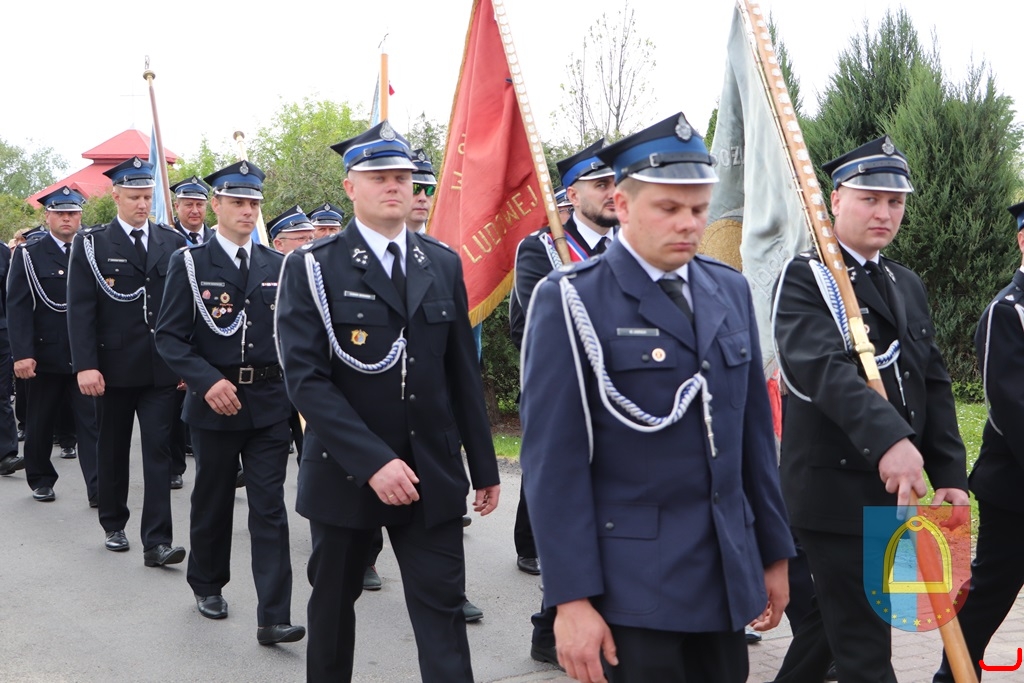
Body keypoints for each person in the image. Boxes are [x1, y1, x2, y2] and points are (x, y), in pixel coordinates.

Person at [520, 112, 793, 683]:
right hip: (632, 587)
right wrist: (570, 600)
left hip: (723, 572)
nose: (688, 224)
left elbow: (752, 441)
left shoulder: (729, 288)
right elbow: (553, 464)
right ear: (621, 203)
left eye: (698, 208)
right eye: (668, 208)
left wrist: (773, 554)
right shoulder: (572, 299)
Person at [275, 120, 500, 682]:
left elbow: (461, 373)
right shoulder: (312, 266)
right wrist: (374, 462)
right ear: (350, 186)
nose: (395, 186)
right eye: (379, 177)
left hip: (431, 470)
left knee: (443, 609)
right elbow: (306, 381)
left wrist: (484, 465)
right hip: (346, 473)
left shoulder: (441, 262)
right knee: (333, 606)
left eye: (403, 176)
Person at [771, 137, 970, 683]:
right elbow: (824, 372)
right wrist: (890, 440)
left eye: (895, 202)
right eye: (870, 199)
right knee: (864, 649)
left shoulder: (905, 282)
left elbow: (932, 382)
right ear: (836, 200)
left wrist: (950, 474)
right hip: (835, 492)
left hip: (892, 491)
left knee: (830, 629)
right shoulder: (807, 277)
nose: (884, 212)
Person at [155, 160, 305, 646]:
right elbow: (170, 337)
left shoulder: (278, 265)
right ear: (216, 204)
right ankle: (207, 583)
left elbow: (293, 336)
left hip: (268, 402)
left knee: (269, 507)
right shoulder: (191, 263)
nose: (247, 210)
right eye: (237, 202)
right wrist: (205, 382)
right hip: (214, 402)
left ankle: (273, 615)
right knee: (213, 499)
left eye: (254, 203)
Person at [509, 138, 619, 666]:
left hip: (625, 406)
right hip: (567, 402)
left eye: (616, 181)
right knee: (571, 516)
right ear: (572, 194)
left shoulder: (632, 244)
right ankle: (550, 626)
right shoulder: (542, 248)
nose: (612, 191)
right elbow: (535, 323)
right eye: (600, 184)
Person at [67, 156, 187, 565]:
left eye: (147, 197)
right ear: (116, 196)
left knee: (158, 452)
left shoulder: (171, 242)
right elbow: (80, 309)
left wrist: (186, 361)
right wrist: (85, 364)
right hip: (112, 367)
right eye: (134, 197)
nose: (142, 204)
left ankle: (157, 541)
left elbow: (184, 308)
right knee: (113, 449)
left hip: (160, 367)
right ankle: (114, 523)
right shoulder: (93, 243)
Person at [931, 202, 1024, 682]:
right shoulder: (1007, 312)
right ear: (1023, 239)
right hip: (1014, 491)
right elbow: (1011, 407)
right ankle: (953, 677)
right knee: (989, 595)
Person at [7, 187, 99, 504]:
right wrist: (23, 354)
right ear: (47, 216)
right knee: (40, 422)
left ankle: (98, 487)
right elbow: (18, 307)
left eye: (72, 213)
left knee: (92, 425)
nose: (66, 218)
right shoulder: (29, 254)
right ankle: (41, 479)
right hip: (45, 355)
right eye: (60, 213)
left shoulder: (93, 250)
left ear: (80, 216)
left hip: (86, 356)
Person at [167, 175, 213, 488]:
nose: (194, 211)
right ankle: (174, 466)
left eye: (199, 204)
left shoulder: (218, 238)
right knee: (173, 406)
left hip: (214, 330)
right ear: (176, 206)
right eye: (188, 205)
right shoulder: (167, 240)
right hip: (180, 330)